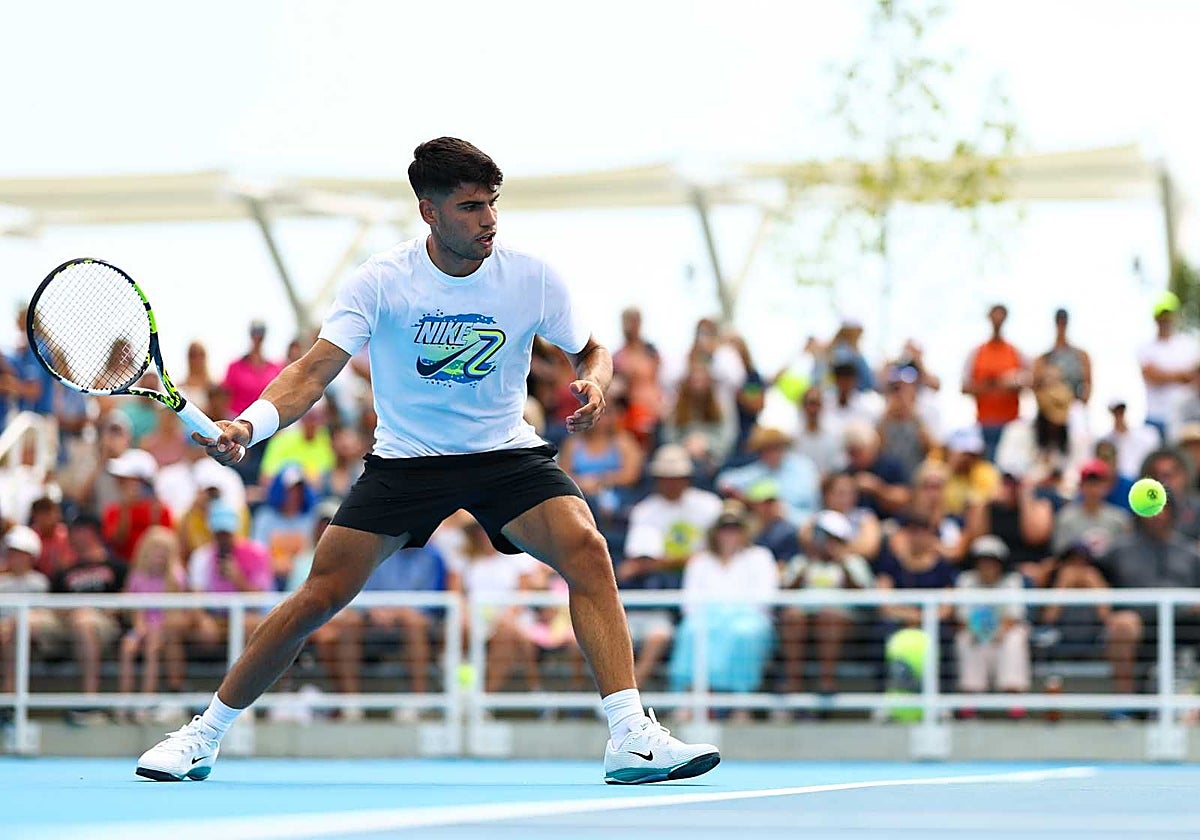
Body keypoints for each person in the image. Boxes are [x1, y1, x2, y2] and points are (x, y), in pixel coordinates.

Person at [137, 138, 717, 785]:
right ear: (429, 212)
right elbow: (312, 371)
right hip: (408, 461)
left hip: (503, 452)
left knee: (587, 549)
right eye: (470, 207)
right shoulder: (381, 282)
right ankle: (203, 734)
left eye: (493, 204)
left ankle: (630, 736)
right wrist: (251, 423)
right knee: (318, 596)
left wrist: (597, 381)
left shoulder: (531, 277)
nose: (488, 220)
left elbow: (591, 349)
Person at [620, 444, 723, 688]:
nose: (672, 483)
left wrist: (663, 563)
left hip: (703, 583)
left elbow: (716, 551)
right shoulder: (645, 511)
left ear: (687, 478)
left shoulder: (709, 505)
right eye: (666, 478)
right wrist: (674, 562)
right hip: (659, 587)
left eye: (677, 478)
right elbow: (639, 557)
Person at [667, 502, 777, 722]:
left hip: (748, 617)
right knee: (692, 630)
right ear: (715, 532)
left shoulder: (760, 556)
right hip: (707, 617)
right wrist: (717, 614)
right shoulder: (700, 560)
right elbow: (689, 602)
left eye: (735, 527)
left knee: (744, 632)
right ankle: (690, 700)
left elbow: (766, 597)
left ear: (745, 530)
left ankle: (741, 704)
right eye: (725, 527)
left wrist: (729, 613)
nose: (730, 533)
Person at [1098, 501, 1200, 711]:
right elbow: (1090, 574)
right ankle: (1123, 706)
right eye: (1151, 508)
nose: (1158, 515)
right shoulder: (1118, 550)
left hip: (1185, 622)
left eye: (1163, 508)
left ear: (1172, 513)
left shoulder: (1192, 553)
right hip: (1138, 621)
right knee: (1123, 624)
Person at [164, 503, 273, 693]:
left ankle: (243, 693)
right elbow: (197, 596)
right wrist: (201, 619)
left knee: (248, 626)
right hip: (214, 618)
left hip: (247, 617)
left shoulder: (257, 553)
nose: (223, 537)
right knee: (173, 625)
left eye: (227, 532)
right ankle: (176, 691)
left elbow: (260, 600)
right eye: (219, 532)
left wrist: (238, 579)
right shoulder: (202, 556)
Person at [779, 509, 874, 700]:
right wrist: (806, 566)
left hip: (842, 620)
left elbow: (864, 595)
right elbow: (785, 592)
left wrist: (842, 563)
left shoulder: (853, 562)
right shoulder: (801, 561)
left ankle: (827, 680)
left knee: (829, 615)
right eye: (822, 536)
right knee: (792, 615)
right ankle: (793, 681)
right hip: (805, 617)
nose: (826, 542)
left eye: (831, 537)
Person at [49, 514, 129, 715]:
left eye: (78, 531)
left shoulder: (117, 566)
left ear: (92, 533)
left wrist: (98, 609)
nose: (73, 537)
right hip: (65, 619)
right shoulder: (64, 571)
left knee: (84, 622)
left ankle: (89, 699)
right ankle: (10, 702)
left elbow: (126, 601)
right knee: (22, 622)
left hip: (102, 621)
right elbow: (51, 604)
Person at [954, 536, 1031, 717]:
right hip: (977, 631)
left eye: (992, 561)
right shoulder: (966, 580)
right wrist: (983, 632)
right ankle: (970, 698)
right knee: (965, 638)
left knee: (1015, 638)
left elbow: (1014, 616)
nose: (987, 566)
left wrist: (998, 632)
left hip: (1004, 632)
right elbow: (963, 617)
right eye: (983, 561)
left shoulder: (1012, 580)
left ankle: (1014, 699)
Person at [117, 526, 186, 715]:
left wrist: (154, 628)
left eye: (164, 552)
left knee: (152, 647)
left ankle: (147, 698)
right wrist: (140, 629)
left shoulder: (176, 577)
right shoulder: (137, 577)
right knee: (127, 646)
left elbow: (174, 610)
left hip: (163, 626)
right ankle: (125, 699)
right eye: (155, 550)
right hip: (141, 626)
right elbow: (136, 609)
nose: (159, 556)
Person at [715, 426, 819, 526]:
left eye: (776, 448)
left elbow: (806, 496)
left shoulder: (802, 466)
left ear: (784, 447)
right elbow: (725, 480)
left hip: (802, 522)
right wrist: (749, 498)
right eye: (766, 449)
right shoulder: (760, 468)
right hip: (766, 524)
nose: (771, 453)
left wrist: (768, 500)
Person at [962, 304, 1028, 461]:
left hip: (1011, 424)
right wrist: (989, 385)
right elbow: (965, 387)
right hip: (984, 423)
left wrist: (1008, 383)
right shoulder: (977, 353)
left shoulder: (1015, 352)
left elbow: (1027, 382)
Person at [1139, 292, 1200, 440]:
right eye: (1162, 316)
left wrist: (1164, 374)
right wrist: (1182, 375)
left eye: (1168, 315)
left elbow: (1194, 376)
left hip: (1185, 418)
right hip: (1155, 416)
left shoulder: (1189, 345)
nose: (1165, 320)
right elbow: (1152, 376)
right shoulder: (1146, 348)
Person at [0, 526, 50, 696]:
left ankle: (10, 696)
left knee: (14, 632)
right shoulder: (1, 583)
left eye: (20, 553)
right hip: (4, 631)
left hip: (27, 634)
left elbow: (43, 614)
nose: (15, 558)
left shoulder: (40, 582)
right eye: (12, 553)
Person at [101, 449, 174, 563]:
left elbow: (164, 547)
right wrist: (125, 509)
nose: (118, 482)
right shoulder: (113, 510)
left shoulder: (161, 510)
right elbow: (116, 543)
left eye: (125, 479)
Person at [1051, 459, 1132, 558]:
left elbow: (1124, 555)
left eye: (1098, 483)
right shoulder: (1066, 517)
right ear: (1081, 486)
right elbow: (1060, 554)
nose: (1093, 489)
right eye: (1089, 483)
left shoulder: (1120, 519)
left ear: (1108, 486)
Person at [843, 420, 911, 519]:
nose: (854, 457)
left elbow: (905, 498)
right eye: (850, 452)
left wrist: (878, 489)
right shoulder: (848, 472)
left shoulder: (891, 465)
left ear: (872, 447)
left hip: (890, 523)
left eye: (858, 451)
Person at [1034, 308, 1092, 406]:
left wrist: (1081, 403)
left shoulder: (1081, 356)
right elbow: (1035, 385)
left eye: (1063, 321)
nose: (1061, 324)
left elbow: (1088, 384)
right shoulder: (1044, 358)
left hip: (1073, 406)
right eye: (1059, 321)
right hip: (1050, 410)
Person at [1100, 400, 1161, 481]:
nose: (1119, 416)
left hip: (1144, 479)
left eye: (1121, 411)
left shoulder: (1147, 434)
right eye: (1116, 412)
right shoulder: (1105, 441)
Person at [793, 386, 847, 476]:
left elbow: (838, 467)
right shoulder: (793, 438)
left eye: (817, 404)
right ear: (803, 406)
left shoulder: (835, 436)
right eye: (810, 403)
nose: (813, 409)